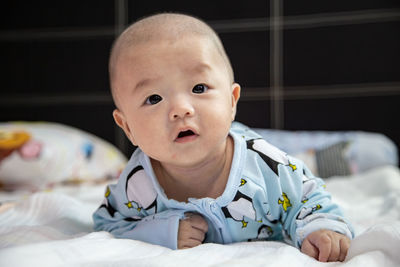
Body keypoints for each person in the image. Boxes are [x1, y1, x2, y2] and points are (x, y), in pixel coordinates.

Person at [93, 13, 353, 262]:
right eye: (154, 98)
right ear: (128, 128)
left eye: (199, 88)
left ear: (231, 101)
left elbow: (309, 197)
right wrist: (163, 231)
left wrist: (321, 230)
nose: (181, 109)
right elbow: (110, 223)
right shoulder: (136, 183)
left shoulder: (265, 165)